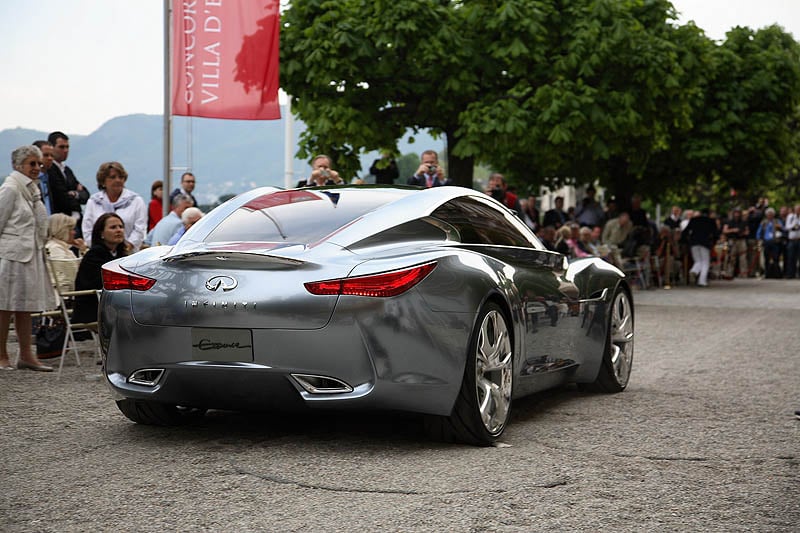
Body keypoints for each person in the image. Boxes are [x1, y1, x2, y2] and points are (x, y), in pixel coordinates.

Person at [0, 145, 57, 371]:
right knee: (4, 306)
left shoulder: (32, 190)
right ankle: (1, 355)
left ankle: (26, 354)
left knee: (25, 307)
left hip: (30, 254)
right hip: (10, 256)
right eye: (32, 163)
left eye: (38, 164)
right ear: (18, 165)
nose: (36, 168)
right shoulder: (11, 189)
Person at [72, 213, 128, 325]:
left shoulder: (121, 254)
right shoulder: (94, 255)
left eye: (121, 227)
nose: (119, 230)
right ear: (101, 233)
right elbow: (101, 282)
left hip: (114, 304)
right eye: (113, 227)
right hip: (93, 306)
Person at [82, 162, 147, 251]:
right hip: (99, 253)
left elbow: (140, 228)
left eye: (121, 177)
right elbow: (87, 229)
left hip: (128, 254)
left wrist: (128, 246)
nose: (118, 180)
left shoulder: (136, 201)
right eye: (112, 177)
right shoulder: (93, 202)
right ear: (103, 181)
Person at [47, 131, 89, 237]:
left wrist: (74, 194)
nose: (65, 150)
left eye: (67, 147)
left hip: (76, 222)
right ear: (51, 147)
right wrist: (77, 193)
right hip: (62, 225)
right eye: (61, 147)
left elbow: (86, 195)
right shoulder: (51, 170)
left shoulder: (67, 170)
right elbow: (62, 199)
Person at [683, 208, 719, 287]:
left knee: (698, 260)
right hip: (705, 242)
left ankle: (694, 270)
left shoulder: (694, 220)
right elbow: (716, 233)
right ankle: (702, 281)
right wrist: (714, 242)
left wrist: (686, 241)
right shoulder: (711, 221)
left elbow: (685, 231)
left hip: (694, 242)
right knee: (705, 262)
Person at [756, 207, 785, 279]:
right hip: (766, 242)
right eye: (768, 214)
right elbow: (759, 232)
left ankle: (777, 274)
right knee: (766, 258)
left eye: (771, 214)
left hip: (775, 241)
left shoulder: (777, 221)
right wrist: (759, 239)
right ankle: (766, 273)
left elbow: (783, 229)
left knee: (776, 258)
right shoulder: (763, 222)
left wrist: (780, 227)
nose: (770, 215)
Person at [721, 207, 749, 278]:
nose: (737, 214)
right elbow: (725, 231)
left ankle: (743, 273)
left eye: (738, 213)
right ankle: (729, 273)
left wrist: (742, 233)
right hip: (732, 240)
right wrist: (733, 230)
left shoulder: (743, 222)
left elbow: (747, 231)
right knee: (731, 257)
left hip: (741, 240)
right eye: (735, 213)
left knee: (743, 258)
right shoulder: (729, 221)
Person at [32, 140, 55, 215]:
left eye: (52, 155)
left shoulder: (51, 178)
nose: (50, 158)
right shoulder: (30, 180)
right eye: (45, 155)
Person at [784, 204, 800, 279]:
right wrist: (794, 226)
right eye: (797, 209)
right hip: (792, 240)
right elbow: (787, 227)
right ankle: (790, 274)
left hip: (799, 239)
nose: (798, 211)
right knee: (791, 257)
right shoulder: (790, 217)